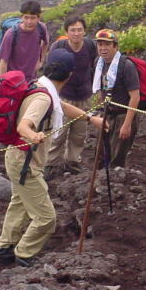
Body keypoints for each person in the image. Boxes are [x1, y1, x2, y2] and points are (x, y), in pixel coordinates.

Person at [0, 49, 105, 267]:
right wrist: (33, 135)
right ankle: (24, 254)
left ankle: (5, 247)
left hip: (18, 159)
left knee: (19, 203)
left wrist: (91, 118)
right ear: (69, 75)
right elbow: (23, 125)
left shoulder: (41, 87)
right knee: (46, 218)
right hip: (24, 162)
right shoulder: (44, 98)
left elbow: (62, 107)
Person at [46, 16, 98, 177]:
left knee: (79, 133)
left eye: (79, 30)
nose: (76, 33)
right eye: (73, 30)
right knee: (59, 132)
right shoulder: (59, 46)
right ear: (66, 32)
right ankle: (51, 164)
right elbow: (50, 71)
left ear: (85, 31)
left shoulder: (90, 46)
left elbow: (96, 66)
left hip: (84, 96)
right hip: (64, 96)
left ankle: (72, 162)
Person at [92, 28, 142, 168]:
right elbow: (101, 89)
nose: (103, 48)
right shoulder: (99, 63)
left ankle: (115, 184)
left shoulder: (126, 66)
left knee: (117, 157)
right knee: (100, 154)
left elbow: (135, 97)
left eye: (107, 44)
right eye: (100, 44)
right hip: (107, 114)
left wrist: (127, 125)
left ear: (115, 46)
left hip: (123, 115)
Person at [0, 0, 49, 81]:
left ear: (38, 18)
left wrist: (40, 61)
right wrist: (2, 83)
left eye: (33, 18)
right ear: (21, 17)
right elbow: (3, 61)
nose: (29, 21)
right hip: (13, 80)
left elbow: (45, 43)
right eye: (26, 17)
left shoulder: (41, 28)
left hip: (31, 78)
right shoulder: (11, 34)